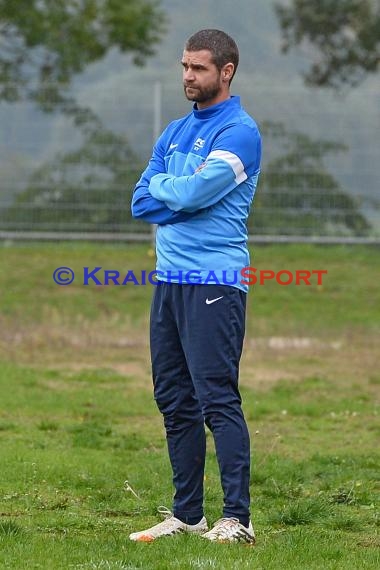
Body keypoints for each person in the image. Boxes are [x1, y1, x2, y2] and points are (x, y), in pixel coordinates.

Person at [130, 29, 261, 544]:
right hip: (168, 282)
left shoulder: (241, 132)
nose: (188, 76)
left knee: (216, 399)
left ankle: (238, 519)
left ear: (225, 72)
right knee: (174, 400)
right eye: (184, 66)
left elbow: (199, 192)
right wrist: (178, 194)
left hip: (216, 282)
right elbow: (143, 201)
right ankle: (188, 515)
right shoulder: (174, 131)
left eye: (199, 68)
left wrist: (179, 193)